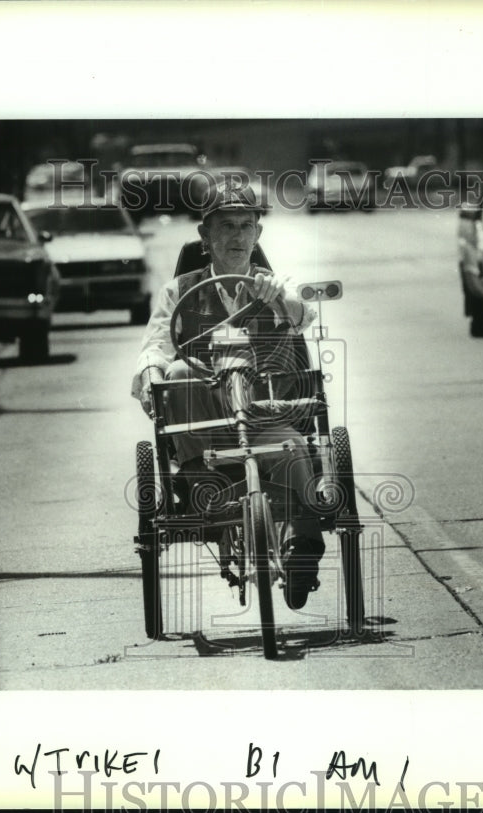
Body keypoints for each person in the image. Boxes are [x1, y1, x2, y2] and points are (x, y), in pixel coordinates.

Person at [131, 182, 324, 609]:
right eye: (226, 227)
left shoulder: (273, 284)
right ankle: (207, 485)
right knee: (177, 371)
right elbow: (155, 345)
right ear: (205, 236)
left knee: (293, 445)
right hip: (203, 431)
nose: (237, 237)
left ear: (257, 234)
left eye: (245, 226)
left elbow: (303, 314)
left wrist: (278, 300)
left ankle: (301, 551)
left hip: (260, 413)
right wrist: (150, 374)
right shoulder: (178, 290)